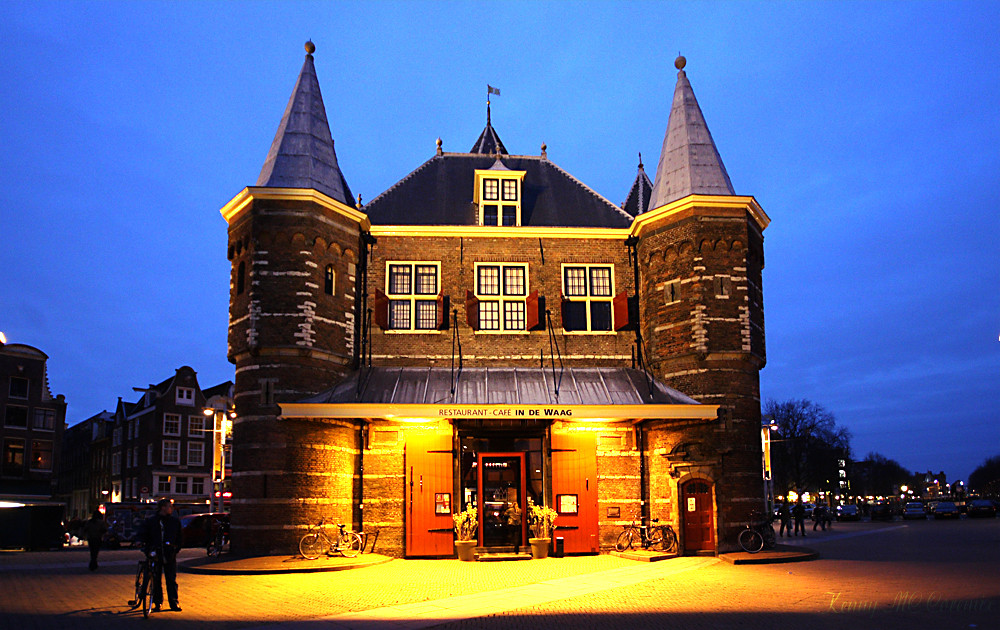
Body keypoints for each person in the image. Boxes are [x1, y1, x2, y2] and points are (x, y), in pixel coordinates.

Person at [141, 498, 183, 612]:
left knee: (171, 579)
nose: (171, 509)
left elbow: (179, 536)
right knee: (156, 579)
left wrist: (176, 548)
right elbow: (144, 534)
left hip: (169, 553)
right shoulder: (152, 521)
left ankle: (173, 602)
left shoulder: (174, 521)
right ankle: (157, 602)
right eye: (169, 506)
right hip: (156, 552)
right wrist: (147, 547)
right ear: (163, 507)